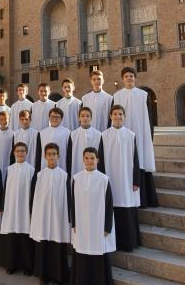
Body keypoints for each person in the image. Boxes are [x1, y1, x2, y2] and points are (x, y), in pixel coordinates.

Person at [70, 147, 115, 285]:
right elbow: (73, 203)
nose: (90, 161)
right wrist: (74, 223)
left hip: (98, 226)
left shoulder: (104, 179)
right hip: (81, 225)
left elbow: (109, 205)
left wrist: (107, 227)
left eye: (92, 158)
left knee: (98, 257)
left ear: (98, 160)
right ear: (83, 160)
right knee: (83, 255)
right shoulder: (76, 178)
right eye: (87, 158)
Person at [113, 67, 158, 207]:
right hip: (123, 135)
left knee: (141, 161)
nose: (129, 78)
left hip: (141, 134)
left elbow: (149, 118)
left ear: (135, 78)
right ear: (123, 79)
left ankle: (144, 200)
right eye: (126, 76)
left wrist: (149, 135)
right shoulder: (117, 96)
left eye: (131, 76)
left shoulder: (143, 95)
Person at [99, 104, 141, 251]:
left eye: (120, 114)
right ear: (110, 116)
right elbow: (101, 160)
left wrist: (136, 180)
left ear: (124, 116)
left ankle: (129, 243)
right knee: (113, 208)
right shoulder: (103, 135)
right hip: (110, 178)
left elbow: (135, 160)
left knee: (127, 209)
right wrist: (102, 180)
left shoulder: (131, 135)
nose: (118, 117)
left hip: (127, 179)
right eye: (115, 114)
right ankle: (115, 243)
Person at [30, 143, 70, 285]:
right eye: (49, 154)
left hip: (58, 217)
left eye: (54, 154)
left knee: (57, 245)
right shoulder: (39, 175)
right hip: (43, 216)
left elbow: (68, 198)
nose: (52, 156)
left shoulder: (64, 175)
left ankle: (59, 277)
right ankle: (44, 275)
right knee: (43, 244)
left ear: (58, 156)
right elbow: (33, 197)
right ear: (45, 156)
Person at [0, 142, 34, 275]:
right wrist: (3, 206)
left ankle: (27, 266)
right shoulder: (9, 169)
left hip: (25, 208)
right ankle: (11, 264)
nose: (20, 153)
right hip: (11, 207)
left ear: (26, 153)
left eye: (23, 151)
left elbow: (33, 191)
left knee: (25, 236)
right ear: (14, 153)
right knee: (12, 235)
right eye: (18, 151)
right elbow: (5, 188)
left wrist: (31, 209)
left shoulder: (31, 170)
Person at [68, 107, 102, 176]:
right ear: (79, 118)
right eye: (82, 116)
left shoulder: (98, 135)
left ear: (91, 118)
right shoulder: (73, 135)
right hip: (77, 167)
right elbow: (69, 155)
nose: (85, 118)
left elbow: (100, 154)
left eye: (87, 116)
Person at [38, 107, 71, 172]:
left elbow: (69, 152)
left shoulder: (68, 133)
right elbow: (39, 152)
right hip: (45, 166)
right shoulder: (42, 133)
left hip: (62, 165)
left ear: (61, 119)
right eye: (52, 116)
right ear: (49, 118)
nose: (54, 119)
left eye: (57, 117)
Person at [0, 111, 14, 181]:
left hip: (9, 161)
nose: (4, 121)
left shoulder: (13, 134)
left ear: (9, 120)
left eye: (5, 119)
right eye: (1, 119)